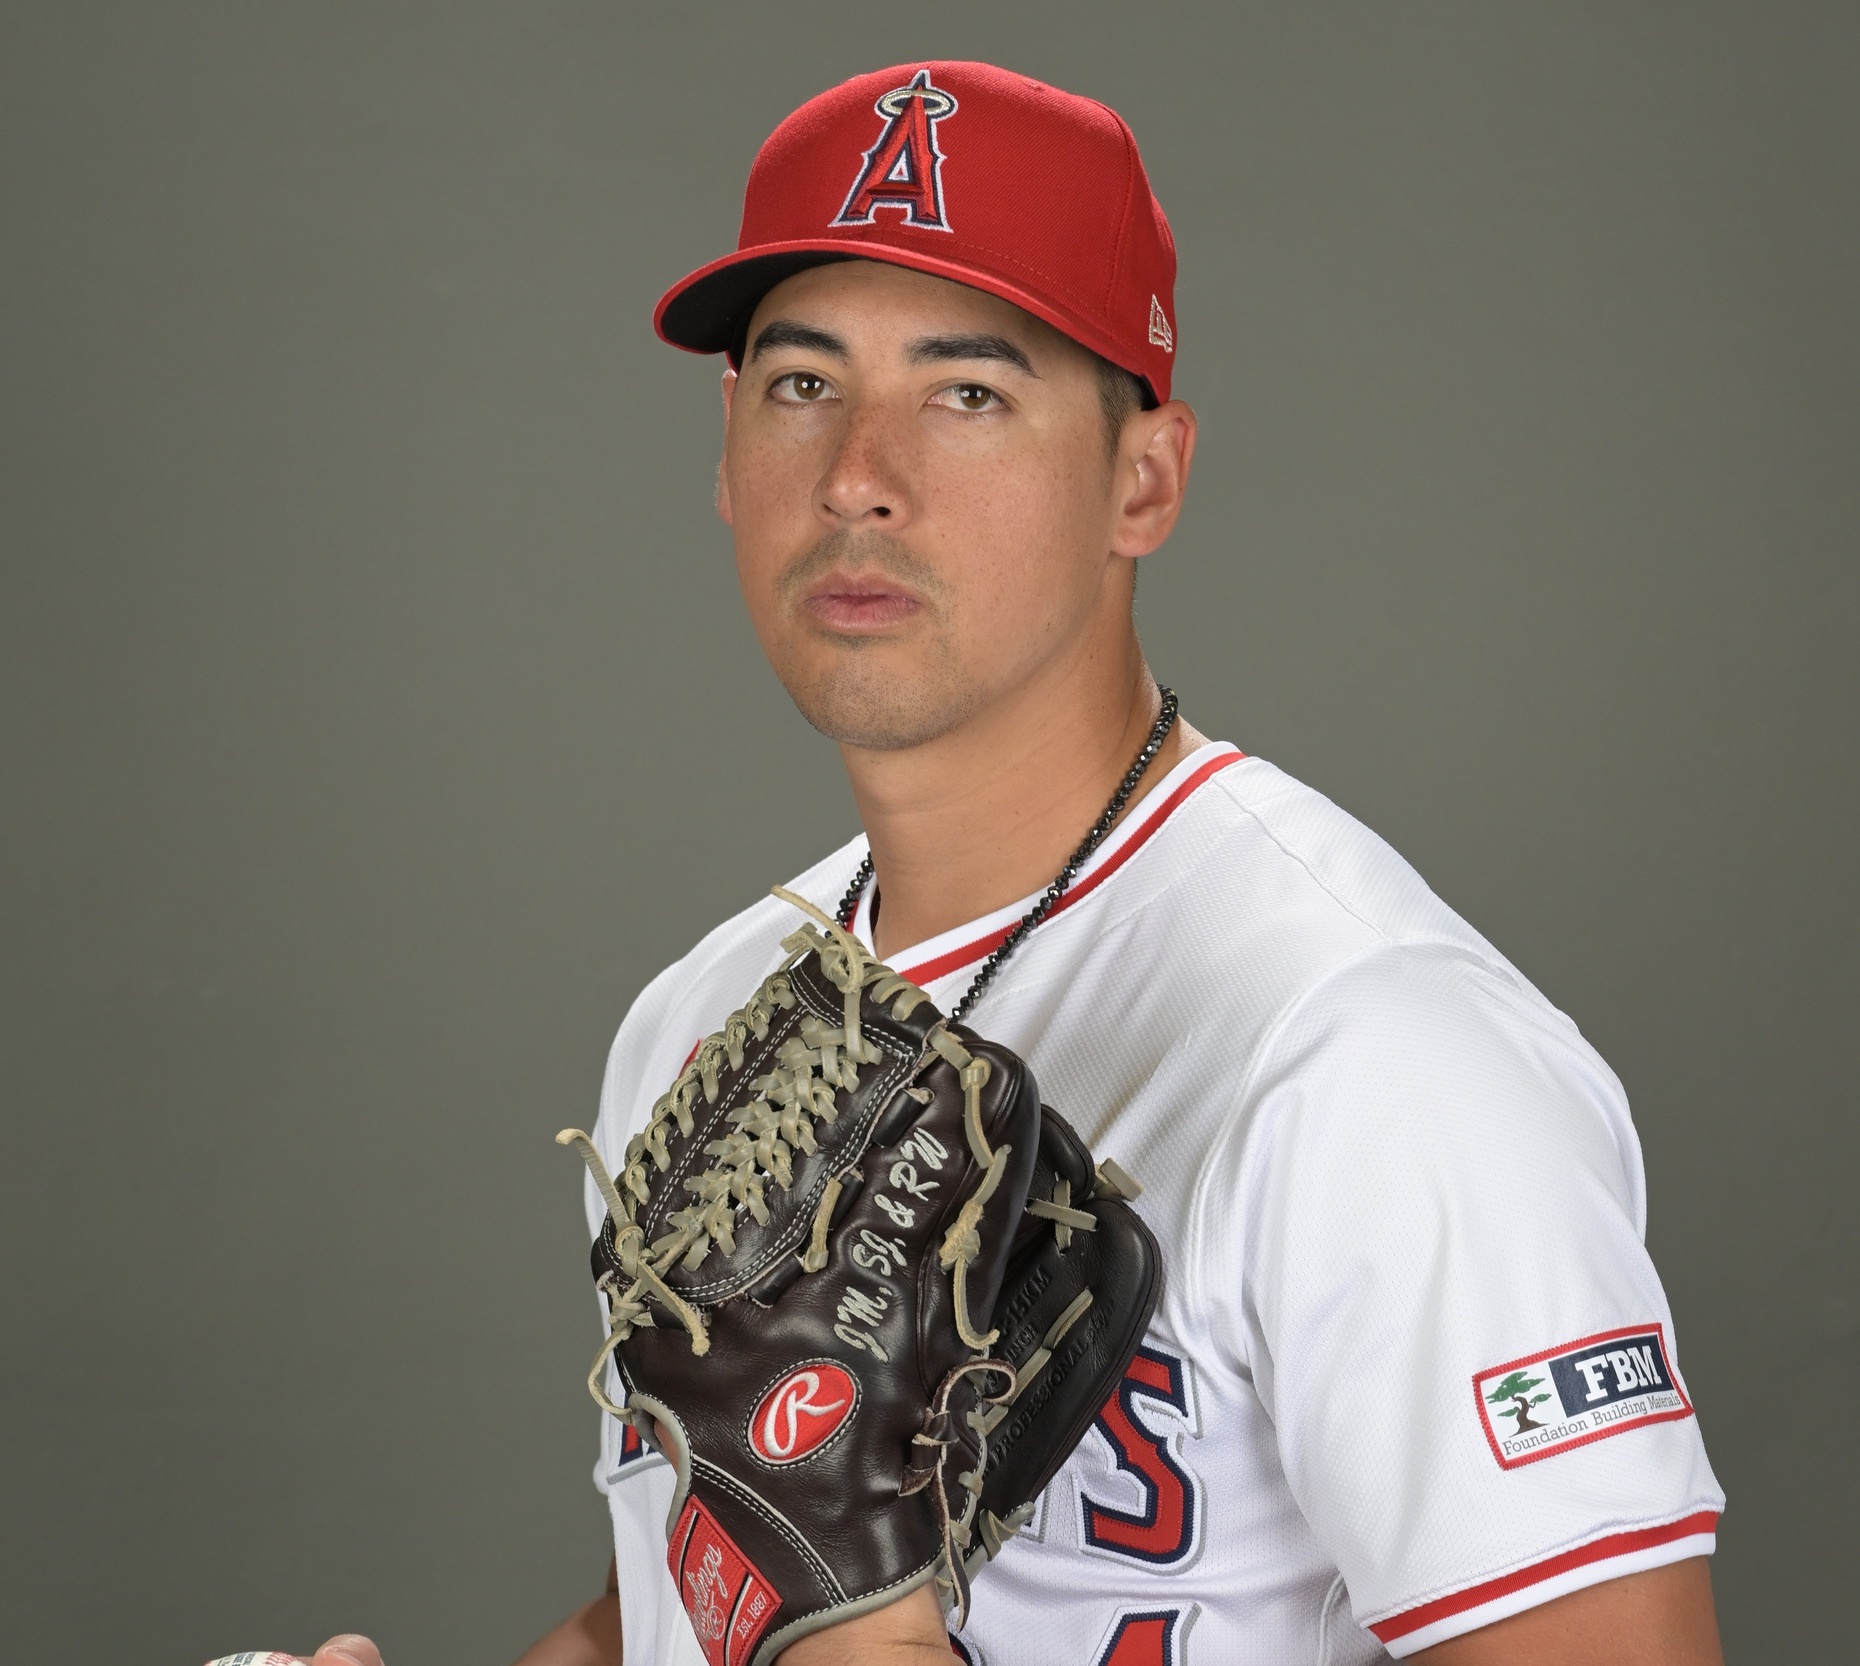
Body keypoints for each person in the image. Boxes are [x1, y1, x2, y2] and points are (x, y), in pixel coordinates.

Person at [339, 60, 1730, 1666]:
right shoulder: (704, 1029)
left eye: (968, 392)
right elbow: (658, 1616)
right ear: (725, 448)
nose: (859, 471)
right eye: (802, 383)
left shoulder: (1369, 1046)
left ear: (1143, 479)